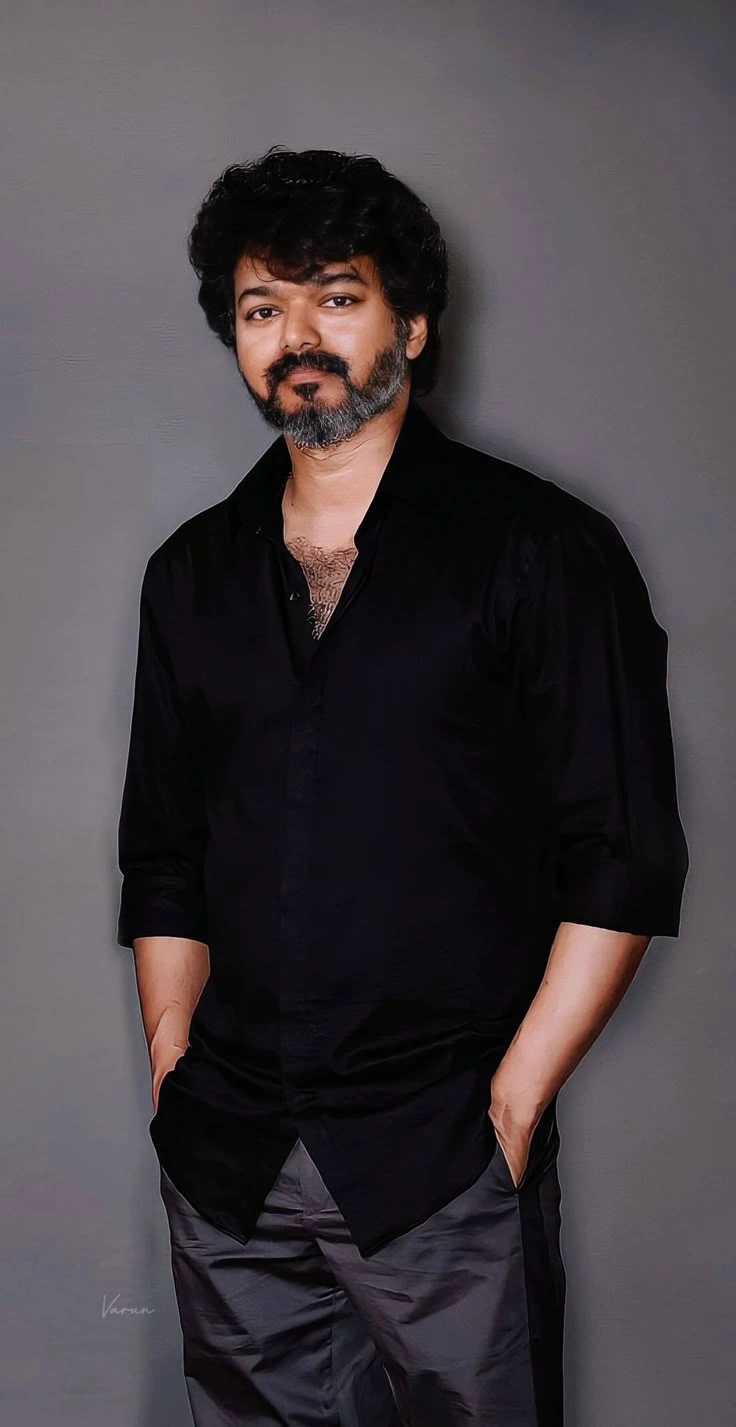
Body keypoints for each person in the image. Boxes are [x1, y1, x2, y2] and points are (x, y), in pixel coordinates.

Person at [116, 146, 689, 1426]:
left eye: (336, 296)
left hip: (440, 1151)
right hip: (228, 1151)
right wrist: (170, 1054)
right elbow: (163, 850)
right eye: (262, 308)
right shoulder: (190, 575)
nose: (297, 337)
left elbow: (624, 851)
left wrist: (516, 1098)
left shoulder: (540, 549)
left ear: (412, 324)